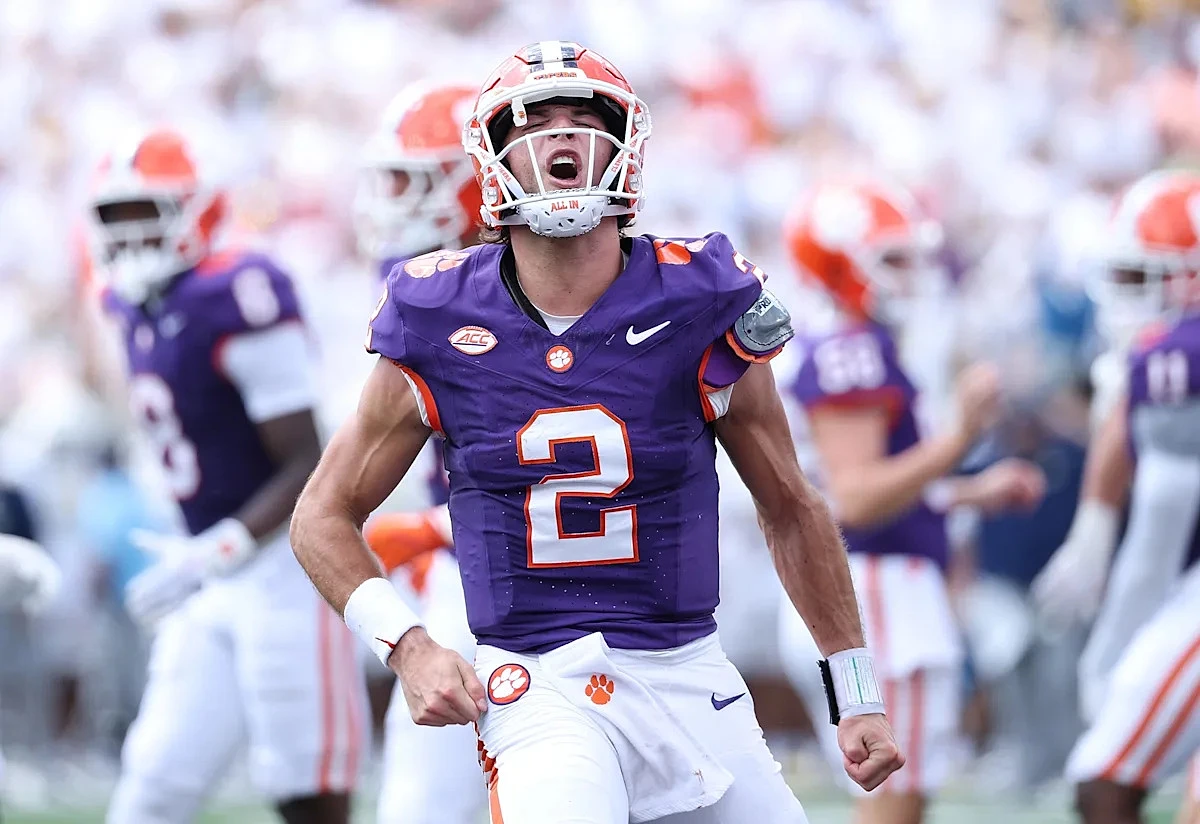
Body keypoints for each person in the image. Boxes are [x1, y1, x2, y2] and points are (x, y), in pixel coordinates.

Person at [291, 40, 903, 823]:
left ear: (625, 147)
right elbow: (321, 515)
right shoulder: (435, 313)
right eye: (534, 120)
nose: (562, 134)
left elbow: (791, 506)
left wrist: (857, 693)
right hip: (537, 683)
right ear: (492, 158)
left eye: (585, 117)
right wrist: (408, 646)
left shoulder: (701, 296)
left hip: (688, 672)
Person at [88, 129, 367, 824]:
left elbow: (306, 459)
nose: (130, 233)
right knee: (152, 785)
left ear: (196, 209)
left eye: (146, 212)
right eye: (115, 216)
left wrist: (223, 545)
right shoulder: (129, 301)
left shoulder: (236, 291)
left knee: (304, 788)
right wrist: (205, 554)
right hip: (209, 571)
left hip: (283, 567)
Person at [774, 180, 1046, 824]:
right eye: (891, 258)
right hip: (875, 593)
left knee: (901, 798)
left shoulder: (852, 343)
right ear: (838, 263)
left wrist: (967, 491)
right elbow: (857, 498)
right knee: (891, 801)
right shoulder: (852, 351)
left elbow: (868, 487)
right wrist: (959, 439)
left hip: (878, 586)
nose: (910, 273)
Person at [1032, 170, 1200, 824]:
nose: (1126, 296)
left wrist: (1114, 645)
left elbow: (1161, 525)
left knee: (1104, 776)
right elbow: (1126, 429)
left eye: (1142, 276)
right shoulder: (1160, 358)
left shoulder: (1176, 354)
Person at [353, 80, 487, 824]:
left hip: (580, 578)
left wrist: (433, 527)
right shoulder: (419, 285)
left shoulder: (548, 278)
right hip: (471, 567)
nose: (397, 198)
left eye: (417, 179)